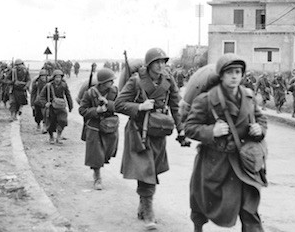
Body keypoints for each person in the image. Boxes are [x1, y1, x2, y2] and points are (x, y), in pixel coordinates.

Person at [185, 53, 267, 232]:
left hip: (243, 162)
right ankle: (197, 228)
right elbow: (190, 127)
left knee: (250, 208)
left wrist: (259, 130)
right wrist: (210, 131)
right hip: (214, 163)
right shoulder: (206, 99)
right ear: (221, 75)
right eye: (230, 72)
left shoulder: (248, 96)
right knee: (202, 202)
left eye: (238, 72)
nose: (234, 76)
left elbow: (262, 120)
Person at [114, 47, 184, 230]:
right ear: (149, 64)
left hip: (159, 131)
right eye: (157, 62)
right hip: (139, 132)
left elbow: (176, 107)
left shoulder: (169, 81)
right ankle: (149, 213)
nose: (161, 65)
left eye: (163, 62)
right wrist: (140, 107)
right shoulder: (136, 81)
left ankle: (143, 205)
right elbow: (119, 104)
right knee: (146, 171)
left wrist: (181, 130)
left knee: (151, 171)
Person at [79, 68, 119, 190]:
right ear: (102, 82)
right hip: (94, 126)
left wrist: (109, 104)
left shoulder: (114, 91)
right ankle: (97, 177)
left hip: (109, 126)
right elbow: (82, 110)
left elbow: (120, 106)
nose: (112, 82)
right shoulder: (90, 93)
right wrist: (96, 110)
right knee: (96, 155)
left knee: (108, 151)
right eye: (109, 80)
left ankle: (99, 167)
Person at [39, 70, 73, 144]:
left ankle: (58, 136)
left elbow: (68, 95)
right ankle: (51, 137)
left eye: (59, 77)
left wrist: (70, 106)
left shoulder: (64, 85)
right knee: (50, 122)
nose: (58, 79)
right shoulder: (48, 86)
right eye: (56, 77)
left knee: (62, 121)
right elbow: (41, 96)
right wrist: (45, 103)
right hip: (51, 107)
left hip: (61, 107)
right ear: (53, 78)